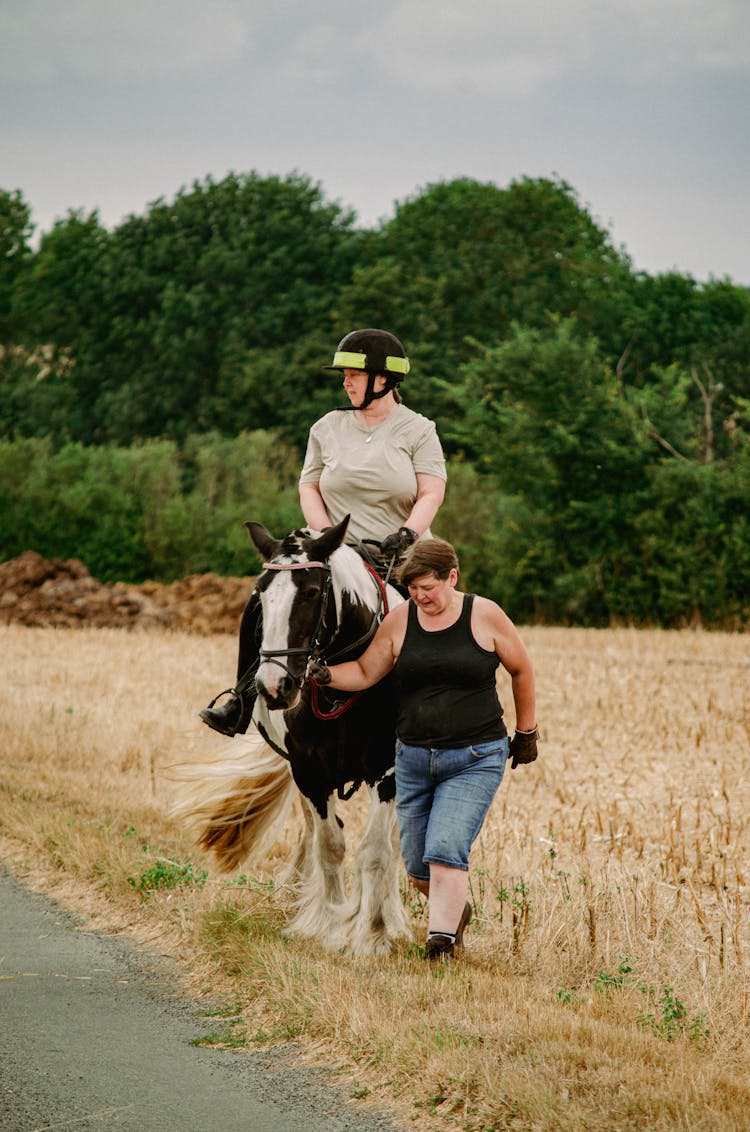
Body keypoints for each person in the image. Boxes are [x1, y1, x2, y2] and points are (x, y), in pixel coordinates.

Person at [199, 328, 447, 738]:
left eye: (353, 373)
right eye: (344, 375)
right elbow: (309, 485)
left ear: (383, 380)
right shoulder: (327, 427)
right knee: (266, 594)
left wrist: (406, 533)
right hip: (335, 548)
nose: (345, 381)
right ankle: (241, 701)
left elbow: (431, 491)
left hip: (401, 553)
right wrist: (325, 533)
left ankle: (440, 719)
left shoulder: (419, 430)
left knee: (440, 616)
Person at [306, 537, 538, 961]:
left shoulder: (483, 615)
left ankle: (440, 945)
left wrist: (526, 733)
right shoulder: (400, 620)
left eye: (427, 588)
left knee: (446, 849)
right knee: (417, 868)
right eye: (412, 589)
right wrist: (324, 676)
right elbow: (363, 671)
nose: (420, 596)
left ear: (452, 577)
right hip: (413, 759)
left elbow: (521, 669)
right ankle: (453, 909)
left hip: (475, 757)